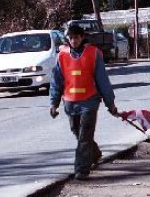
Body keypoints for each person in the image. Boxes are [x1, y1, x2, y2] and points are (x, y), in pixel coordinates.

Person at [49, 24, 118, 180]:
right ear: (67, 38)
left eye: (76, 37)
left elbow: (103, 81)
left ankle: (81, 170)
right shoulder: (62, 56)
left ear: (82, 37)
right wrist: (54, 104)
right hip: (70, 103)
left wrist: (110, 104)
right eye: (71, 37)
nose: (73, 40)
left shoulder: (93, 54)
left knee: (84, 136)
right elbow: (56, 81)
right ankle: (95, 154)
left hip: (89, 102)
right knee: (77, 133)